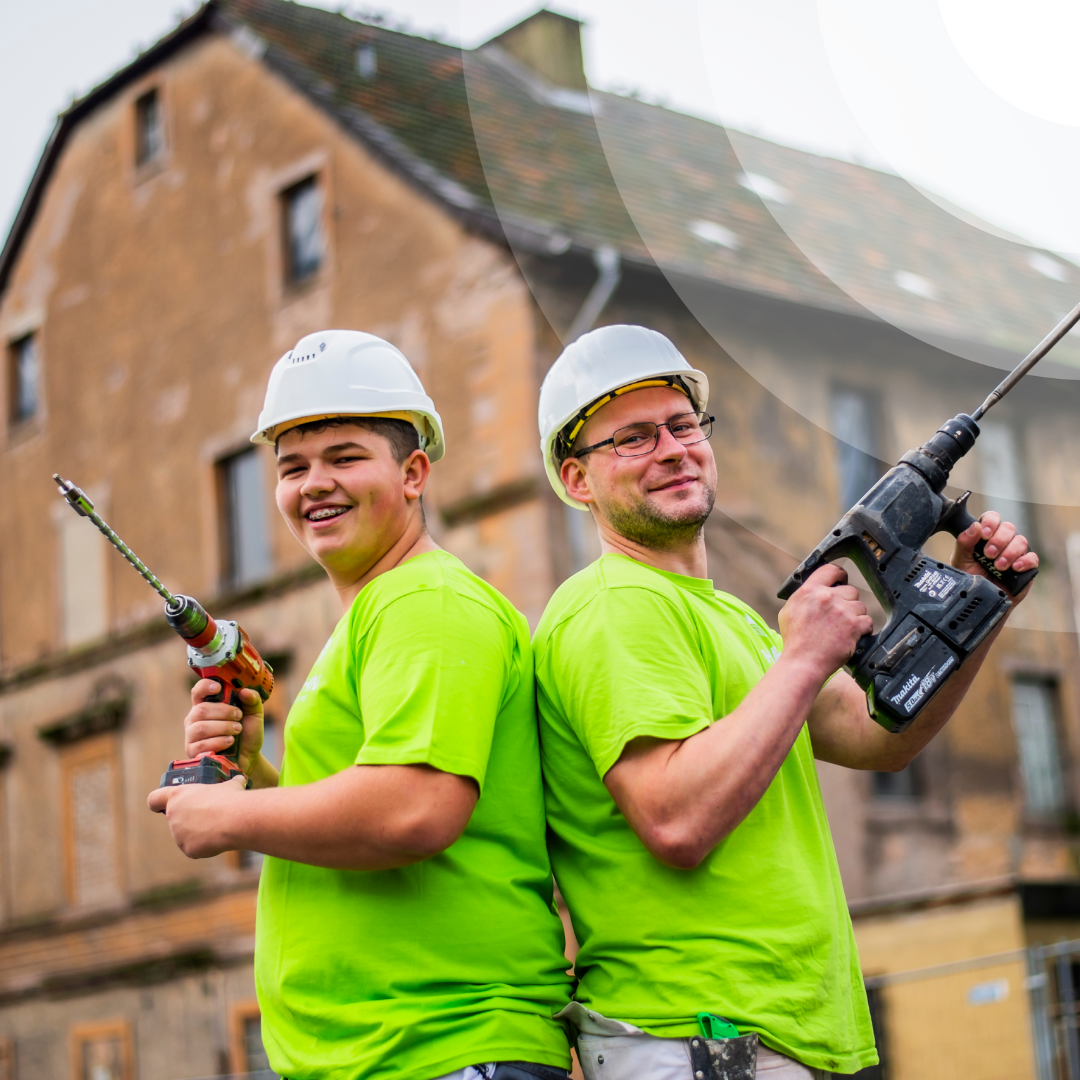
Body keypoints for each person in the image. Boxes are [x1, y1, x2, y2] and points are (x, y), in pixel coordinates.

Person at [532, 324, 1038, 1080]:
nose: (673, 449)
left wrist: (976, 606)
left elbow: (881, 734)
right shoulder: (612, 605)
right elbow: (674, 820)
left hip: (769, 1032)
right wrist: (802, 657)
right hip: (701, 1031)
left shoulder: (729, 618)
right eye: (632, 439)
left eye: (681, 425)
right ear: (577, 481)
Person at [149, 330, 573, 1080]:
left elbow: (414, 808)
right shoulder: (382, 612)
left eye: (344, 458)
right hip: (392, 1051)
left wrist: (226, 815)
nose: (313, 484)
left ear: (413, 473)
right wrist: (258, 771)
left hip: (440, 1043)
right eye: (292, 468)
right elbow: (357, 820)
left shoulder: (426, 603)